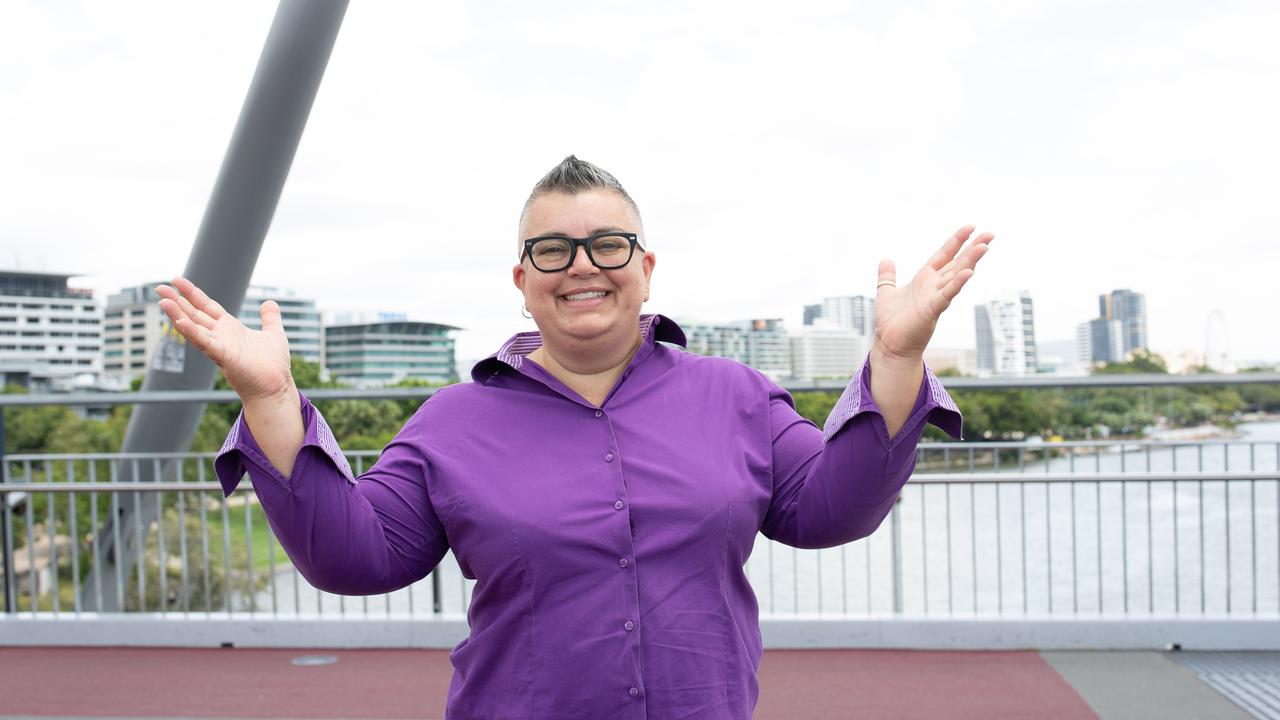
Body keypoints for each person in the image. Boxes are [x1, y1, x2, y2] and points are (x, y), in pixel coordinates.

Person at [156, 156, 990, 719]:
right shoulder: (453, 420)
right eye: (553, 249)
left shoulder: (736, 394)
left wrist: (896, 355)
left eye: (607, 244)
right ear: (523, 281)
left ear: (647, 266)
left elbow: (830, 512)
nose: (582, 265)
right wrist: (270, 396)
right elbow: (355, 558)